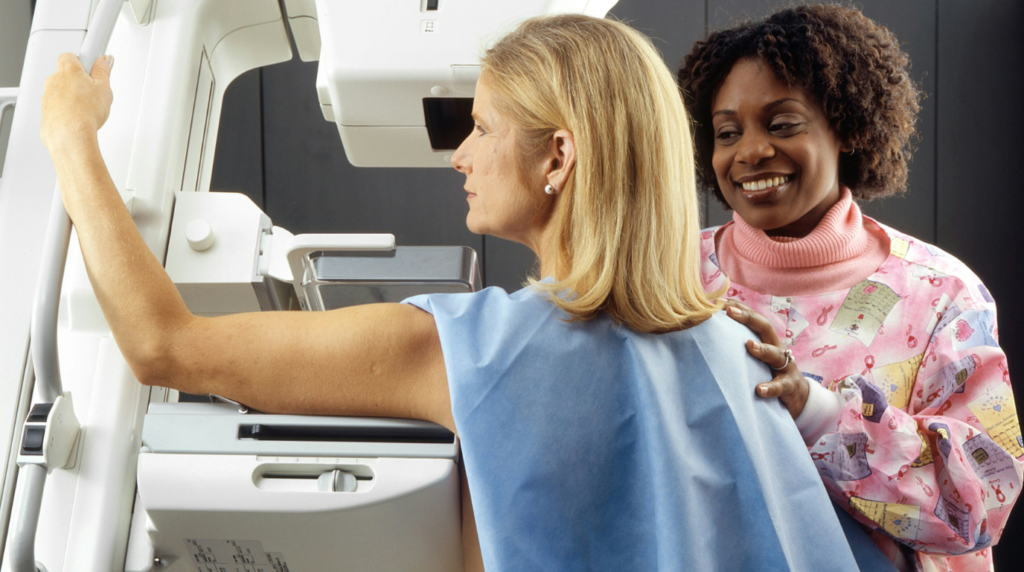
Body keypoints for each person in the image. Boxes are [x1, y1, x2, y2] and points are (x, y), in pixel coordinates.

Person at [40, 14, 860, 572]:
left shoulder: (467, 350)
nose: (458, 155)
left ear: (558, 158)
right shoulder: (738, 346)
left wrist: (71, 137)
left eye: (482, 127)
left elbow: (163, 345)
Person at [678, 5, 1022, 572]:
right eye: (727, 132)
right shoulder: (671, 276)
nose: (750, 151)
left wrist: (816, 412)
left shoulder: (940, 293)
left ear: (847, 125)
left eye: (782, 122)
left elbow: (982, 505)